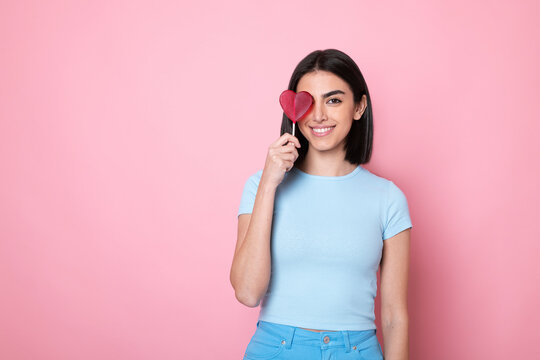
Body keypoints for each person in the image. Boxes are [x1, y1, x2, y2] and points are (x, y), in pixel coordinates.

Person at [230, 49, 413, 360]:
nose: (318, 116)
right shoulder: (260, 186)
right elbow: (247, 292)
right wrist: (269, 184)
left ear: (359, 106)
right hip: (276, 350)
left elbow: (395, 316)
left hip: (356, 351)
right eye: (308, 102)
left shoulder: (388, 198)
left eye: (333, 100)